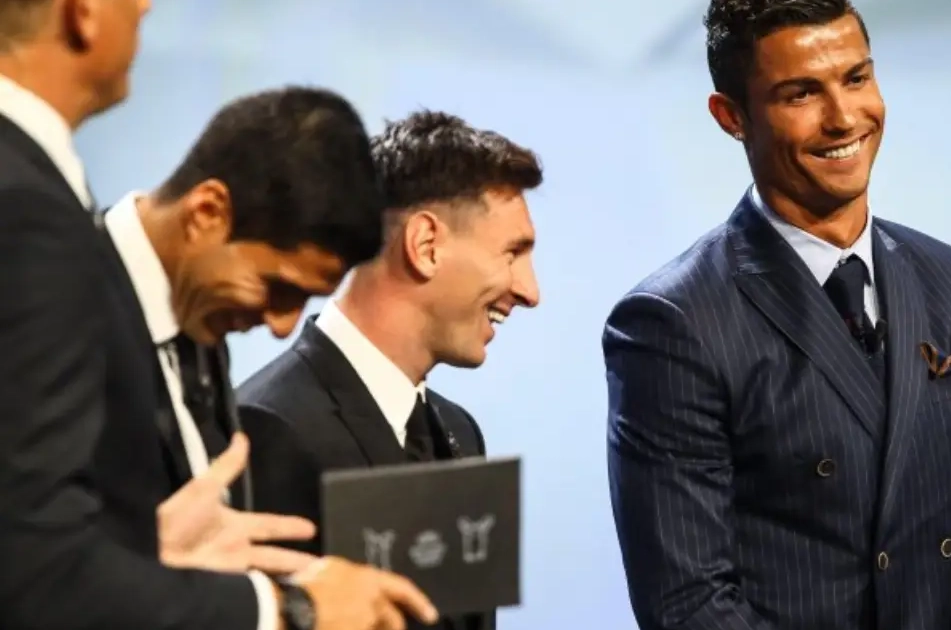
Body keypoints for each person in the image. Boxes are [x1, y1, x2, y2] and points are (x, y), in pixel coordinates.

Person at [0, 0, 437, 628]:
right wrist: (290, 611)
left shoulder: (199, 330)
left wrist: (147, 558)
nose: (284, 326)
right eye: (278, 288)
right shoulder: (36, 226)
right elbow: (36, 571)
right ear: (207, 213)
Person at [602, 1, 951, 629]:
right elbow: (689, 605)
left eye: (856, 78)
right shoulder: (672, 323)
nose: (844, 118)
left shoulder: (949, 278)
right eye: (801, 94)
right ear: (731, 117)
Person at [237, 109, 544, 630]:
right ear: (425, 246)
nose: (530, 291)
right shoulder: (268, 428)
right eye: (512, 253)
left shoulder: (461, 433)